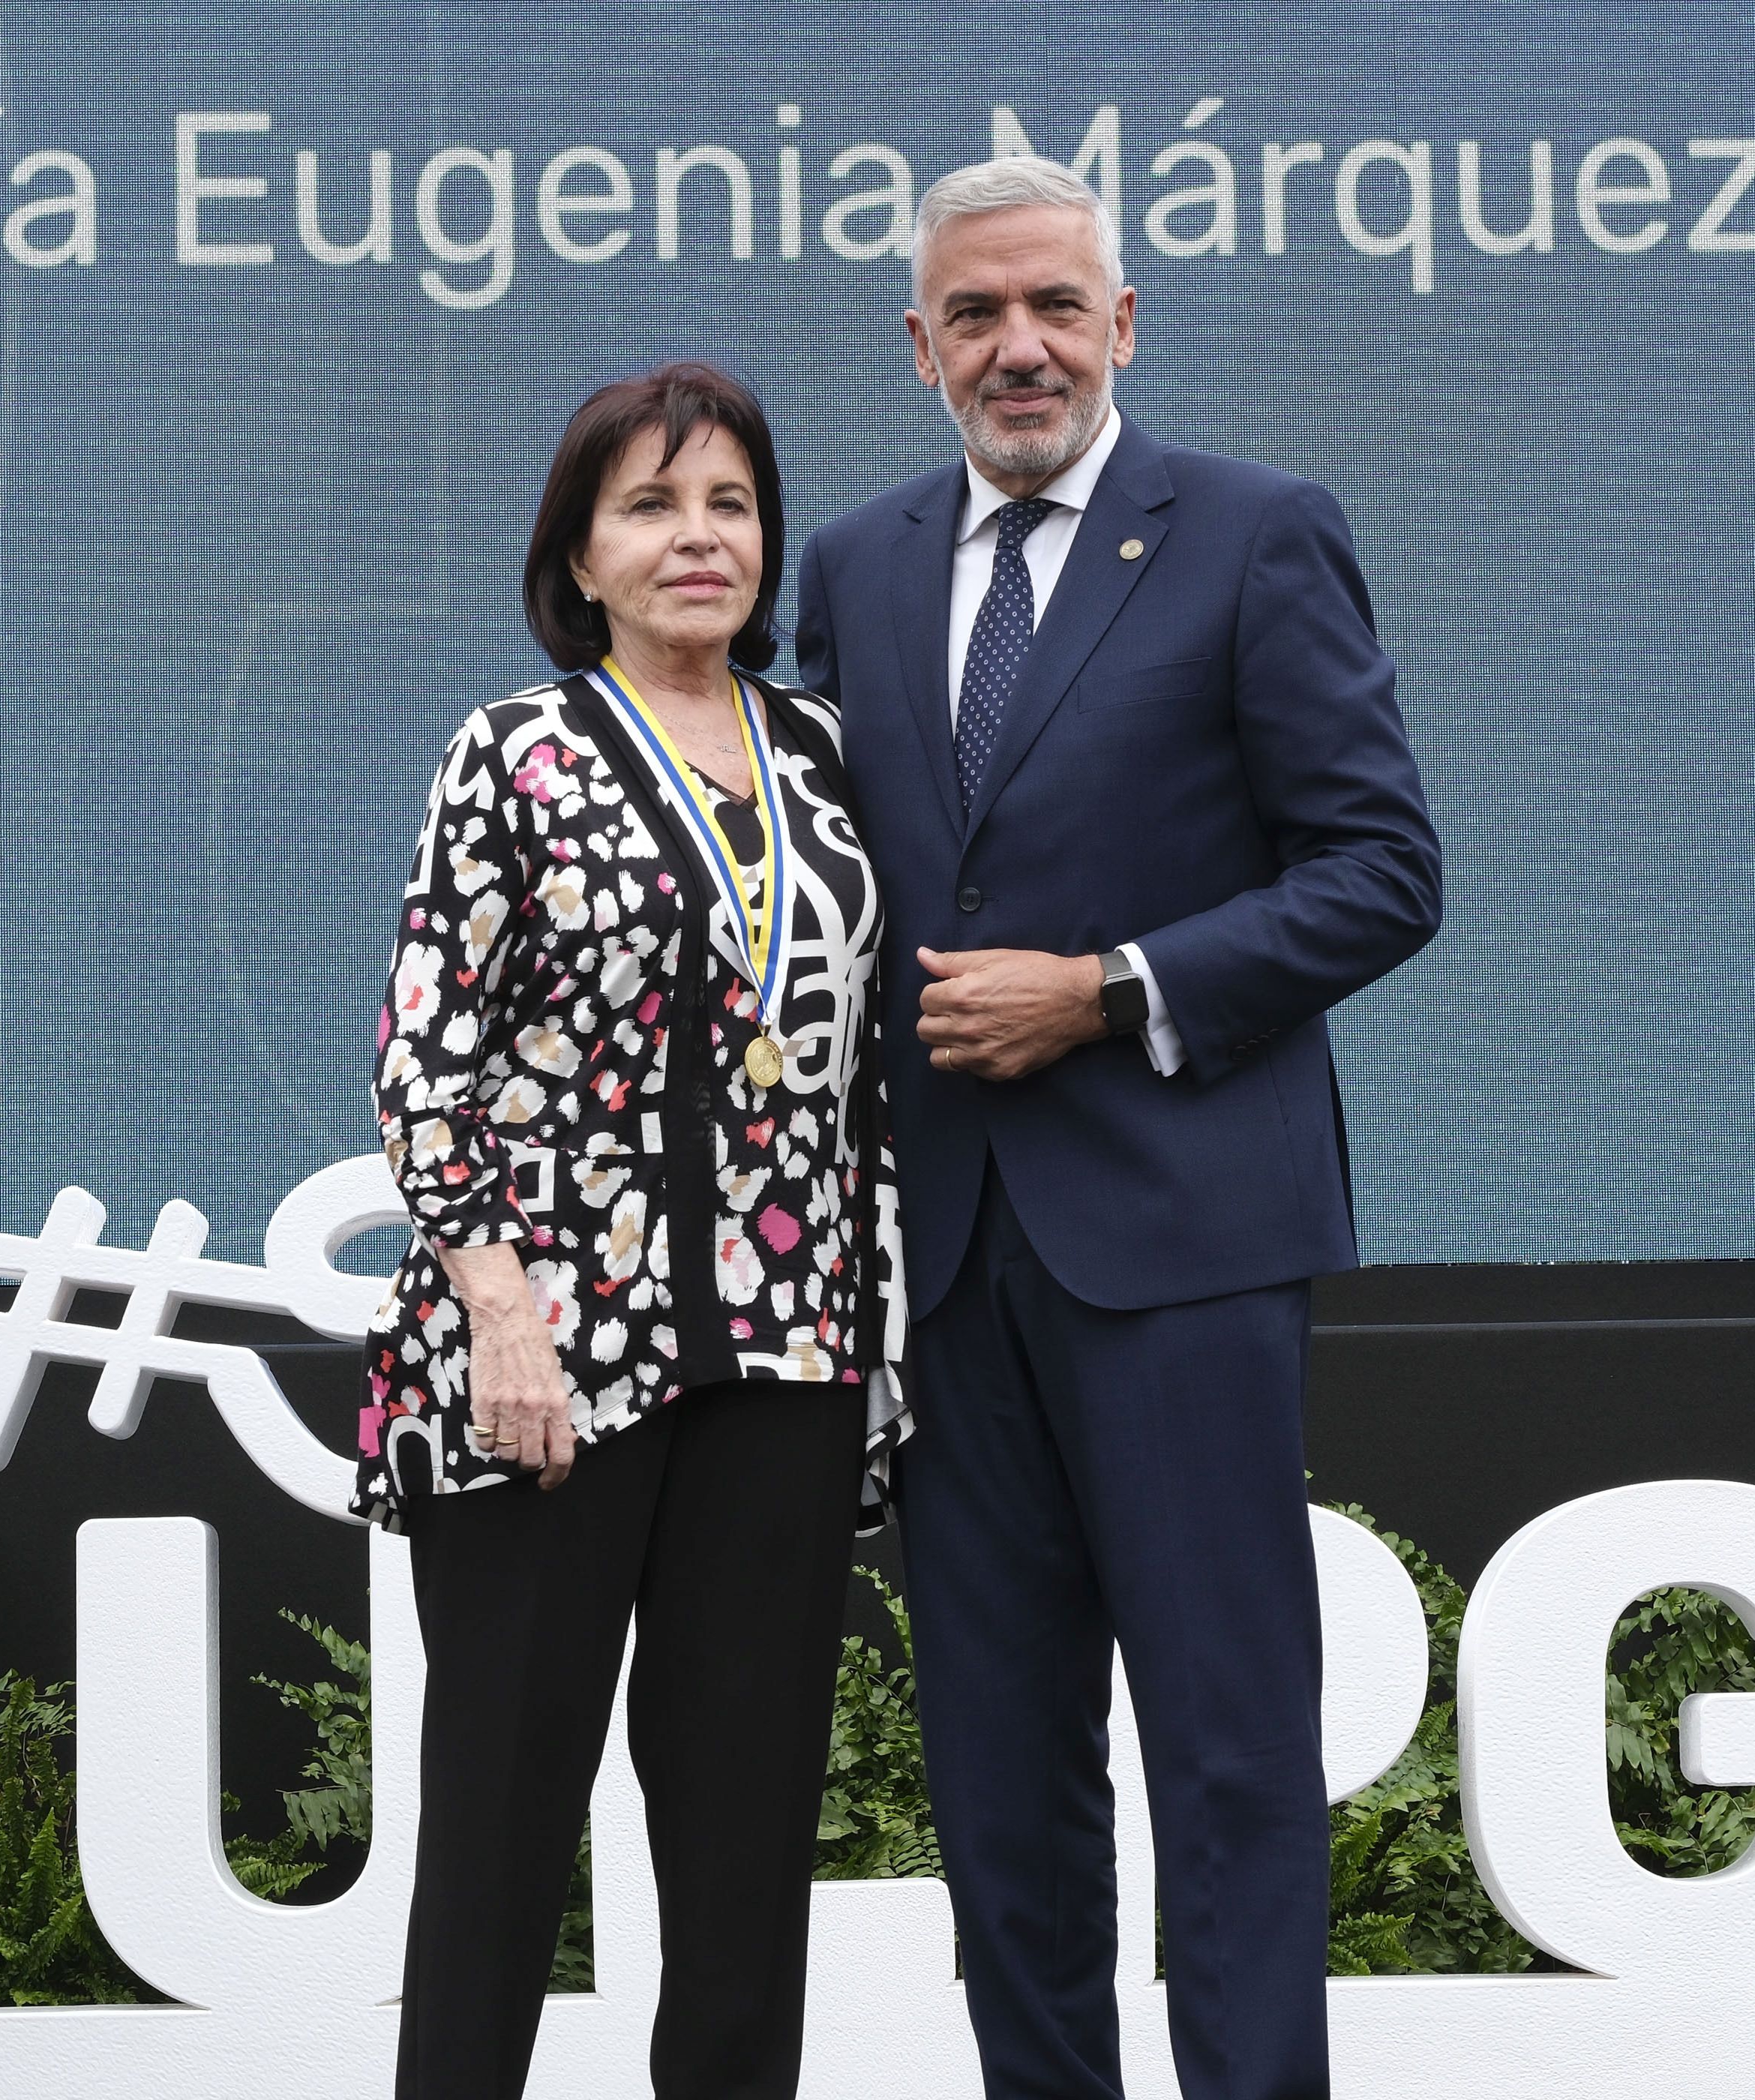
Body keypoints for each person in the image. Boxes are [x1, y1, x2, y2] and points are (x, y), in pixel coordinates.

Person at [794, 158, 1443, 2100]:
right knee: (1000, 1783)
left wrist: (1110, 986)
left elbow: (1383, 869)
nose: (1022, 348)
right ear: (919, 345)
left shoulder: (1255, 534)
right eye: (977, 315)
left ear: (1124, 324)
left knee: (1230, 1758)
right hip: (946, 1264)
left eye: (1056, 308)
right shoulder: (856, 566)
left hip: (1185, 1250)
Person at [364, 362, 906, 2100]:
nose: (698, 537)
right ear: (580, 555)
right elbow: (426, 1063)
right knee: (504, 1827)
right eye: (652, 505)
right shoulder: (511, 751)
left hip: (792, 1354)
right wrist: (499, 1311)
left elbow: (875, 1066)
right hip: (548, 1362)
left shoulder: (834, 757)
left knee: (746, 1842)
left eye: (730, 503)